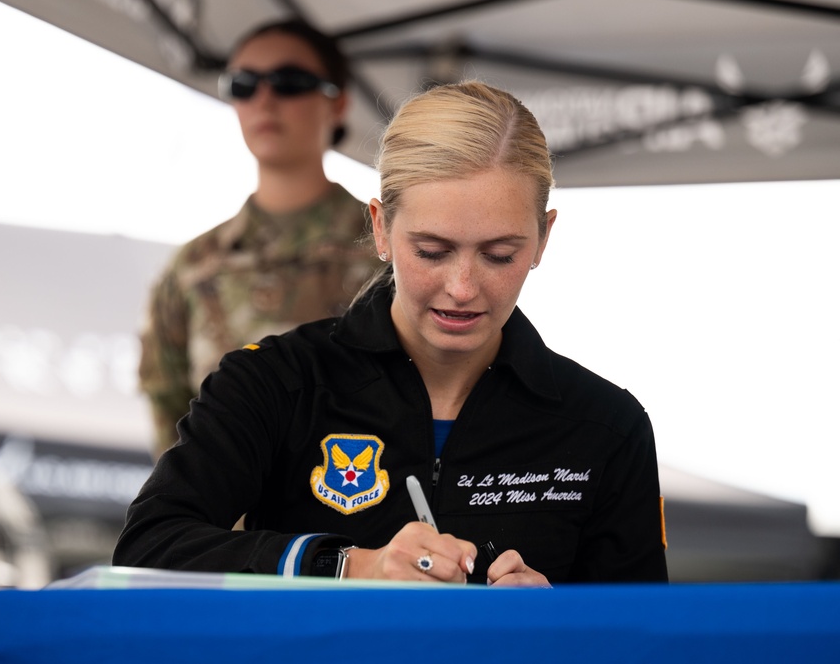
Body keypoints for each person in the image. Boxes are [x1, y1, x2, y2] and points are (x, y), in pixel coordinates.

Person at [114, 80, 669, 586]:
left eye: (500, 255)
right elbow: (148, 548)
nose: (462, 286)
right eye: (432, 250)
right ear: (380, 227)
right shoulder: (275, 383)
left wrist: (557, 623)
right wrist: (349, 564)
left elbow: (649, 640)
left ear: (544, 238)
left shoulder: (606, 427)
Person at [138, 19, 378, 458]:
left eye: (290, 82)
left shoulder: (390, 251)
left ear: (338, 103)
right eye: (243, 84)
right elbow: (169, 416)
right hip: (227, 522)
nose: (264, 100)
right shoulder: (193, 267)